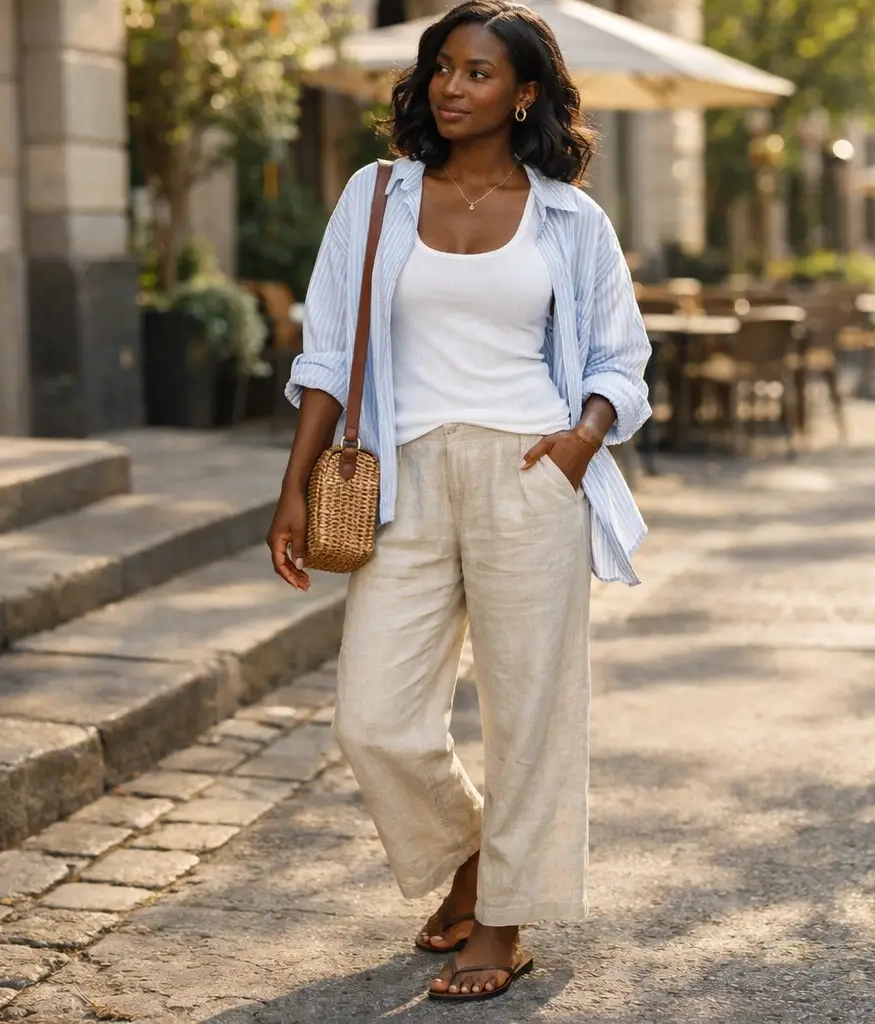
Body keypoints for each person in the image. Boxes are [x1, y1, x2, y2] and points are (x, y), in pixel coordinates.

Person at [265, 0, 650, 1002]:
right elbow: (327, 351)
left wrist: (578, 443)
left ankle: (504, 923)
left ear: (524, 93)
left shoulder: (570, 216)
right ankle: (476, 856)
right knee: (375, 718)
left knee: (530, 711)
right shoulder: (379, 195)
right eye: (442, 66)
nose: (452, 85)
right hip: (400, 474)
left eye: (478, 72)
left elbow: (621, 358)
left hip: (530, 475)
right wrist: (294, 486)